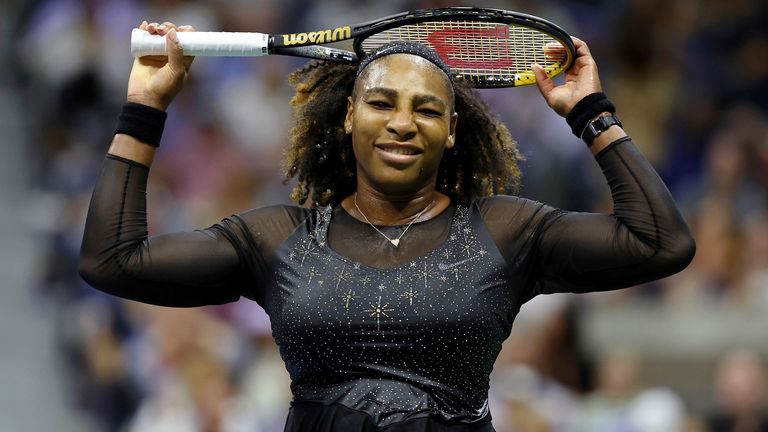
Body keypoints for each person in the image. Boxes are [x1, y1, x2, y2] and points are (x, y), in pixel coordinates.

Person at [79, 20, 696, 431]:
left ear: (451, 130)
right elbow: (112, 260)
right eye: (382, 103)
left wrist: (590, 112)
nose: (403, 122)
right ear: (348, 117)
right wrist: (145, 107)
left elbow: (660, 242)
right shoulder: (276, 238)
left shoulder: (507, 231)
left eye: (427, 109)